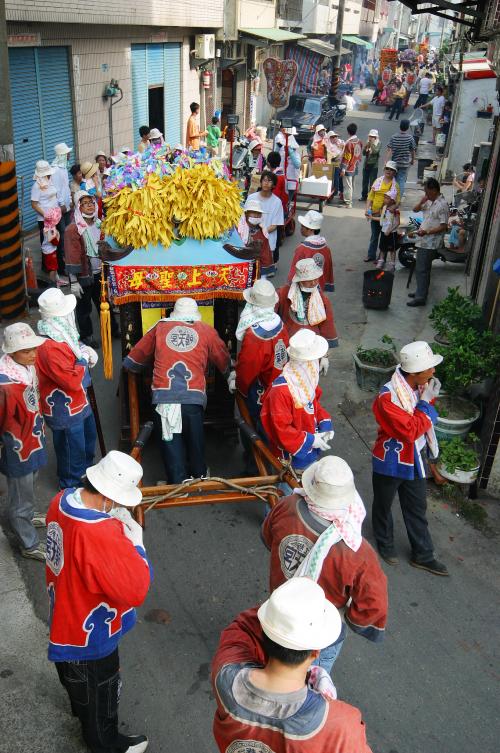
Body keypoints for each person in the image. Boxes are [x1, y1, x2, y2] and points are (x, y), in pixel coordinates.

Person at [46, 450, 151, 753]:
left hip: (65, 616)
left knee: (77, 685)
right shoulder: (99, 532)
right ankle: (105, 744)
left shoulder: (62, 499)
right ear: (109, 496)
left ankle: (82, 715)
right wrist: (136, 545)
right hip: (90, 635)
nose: (119, 506)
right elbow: (135, 588)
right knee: (101, 692)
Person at [211, 577, 373, 753]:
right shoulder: (341, 725)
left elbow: (243, 626)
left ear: (265, 633)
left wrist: (282, 613)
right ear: (315, 652)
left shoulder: (225, 676)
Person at [262, 456, 388, 672]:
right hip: (319, 634)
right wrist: (347, 616)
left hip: (279, 614)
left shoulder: (286, 506)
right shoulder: (358, 552)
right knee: (312, 681)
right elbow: (373, 606)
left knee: (274, 666)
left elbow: (268, 538)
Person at [123, 297, 230, 483]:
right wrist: (230, 374)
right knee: (195, 440)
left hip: (164, 396)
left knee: (171, 443)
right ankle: (200, 477)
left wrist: (133, 367)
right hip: (193, 397)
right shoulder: (206, 330)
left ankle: (177, 483)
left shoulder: (159, 328)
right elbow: (223, 358)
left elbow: (134, 360)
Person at [372, 341, 448, 576]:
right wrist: (426, 403)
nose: (433, 371)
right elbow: (411, 429)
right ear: (414, 373)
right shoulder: (388, 397)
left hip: (414, 458)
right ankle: (385, 545)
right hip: (390, 460)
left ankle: (423, 555)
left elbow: (420, 420)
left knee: (417, 507)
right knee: (383, 506)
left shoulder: (417, 387)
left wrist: (426, 402)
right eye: (429, 368)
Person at [36, 288, 98, 489]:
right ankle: (70, 487)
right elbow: (70, 380)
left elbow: (74, 346)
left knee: (87, 441)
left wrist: (82, 350)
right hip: (65, 408)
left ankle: (84, 477)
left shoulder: (60, 334)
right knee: (72, 450)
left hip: (80, 402)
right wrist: (83, 360)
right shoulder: (49, 346)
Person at [0, 323, 48, 561]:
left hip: (33, 436)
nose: (32, 354)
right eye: (25, 350)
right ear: (11, 353)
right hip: (16, 445)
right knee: (20, 495)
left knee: (31, 482)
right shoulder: (5, 384)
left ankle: (27, 516)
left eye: (33, 348)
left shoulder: (26, 367)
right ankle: (27, 542)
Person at [261, 329, 333, 474]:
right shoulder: (280, 391)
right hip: (290, 458)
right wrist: (311, 440)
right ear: (308, 363)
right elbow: (281, 429)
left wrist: (325, 424)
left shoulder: (305, 379)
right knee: (288, 490)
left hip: (308, 447)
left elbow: (314, 405)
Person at [232, 278, 289, 428]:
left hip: (261, 388)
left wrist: (239, 385)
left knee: (255, 423)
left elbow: (247, 367)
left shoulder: (255, 334)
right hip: (280, 382)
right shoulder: (279, 322)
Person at [64, 191, 120, 345]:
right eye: (85, 203)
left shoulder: (100, 223)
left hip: (100, 272)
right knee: (84, 308)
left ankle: (113, 329)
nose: (89, 206)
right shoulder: (73, 229)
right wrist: (73, 282)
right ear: (78, 207)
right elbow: (71, 255)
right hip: (83, 275)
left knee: (105, 303)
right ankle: (86, 336)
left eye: (91, 202)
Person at [278, 259, 338, 351]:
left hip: (312, 344)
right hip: (289, 343)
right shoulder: (283, 293)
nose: (313, 283)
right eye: (309, 280)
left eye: (316, 279)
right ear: (300, 280)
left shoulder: (322, 299)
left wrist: (325, 354)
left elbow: (327, 326)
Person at [407, 178, 449, 306]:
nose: (426, 194)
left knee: (422, 269)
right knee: (421, 269)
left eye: (427, 192)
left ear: (434, 190)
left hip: (431, 243)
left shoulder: (442, 205)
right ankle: (421, 291)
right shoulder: (429, 201)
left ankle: (420, 297)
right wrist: (421, 201)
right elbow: (414, 210)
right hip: (423, 240)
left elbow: (443, 226)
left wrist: (427, 232)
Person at [287, 210, 334, 292]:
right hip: (319, 288)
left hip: (304, 289)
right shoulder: (326, 248)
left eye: (302, 226)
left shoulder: (302, 249)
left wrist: (289, 287)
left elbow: (294, 270)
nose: (301, 229)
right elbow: (328, 270)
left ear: (310, 229)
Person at [30, 159, 61, 284]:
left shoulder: (50, 180)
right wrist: (46, 214)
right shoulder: (36, 186)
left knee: (55, 242)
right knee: (48, 245)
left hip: (55, 217)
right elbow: (34, 204)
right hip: (45, 221)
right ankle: (50, 277)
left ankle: (56, 275)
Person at [246, 171, 284, 268]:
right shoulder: (251, 197)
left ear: (274, 185)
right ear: (261, 182)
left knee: (264, 268)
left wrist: (262, 233)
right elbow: (245, 218)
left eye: (269, 181)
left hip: (268, 238)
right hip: (250, 237)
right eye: (264, 180)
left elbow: (275, 225)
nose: (266, 183)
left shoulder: (277, 202)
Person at [364, 161, 400, 262]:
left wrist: (393, 207)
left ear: (395, 172)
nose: (389, 171)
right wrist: (367, 208)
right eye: (387, 169)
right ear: (384, 170)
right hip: (375, 212)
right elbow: (370, 196)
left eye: (391, 170)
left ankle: (381, 258)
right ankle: (371, 255)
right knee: (374, 236)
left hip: (387, 215)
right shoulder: (377, 181)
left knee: (384, 237)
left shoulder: (395, 185)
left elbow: (398, 201)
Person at [238, 198, 275, 277]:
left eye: (258, 213)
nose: (256, 215)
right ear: (246, 213)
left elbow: (265, 253)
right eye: (253, 213)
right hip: (239, 269)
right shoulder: (238, 230)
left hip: (256, 271)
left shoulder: (262, 233)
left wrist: (264, 273)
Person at [51, 142, 73, 278]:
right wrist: (61, 204)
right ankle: (62, 266)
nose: (69, 154)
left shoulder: (63, 168)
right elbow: (56, 190)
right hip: (61, 208)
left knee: (67, 235)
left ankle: (66, 263)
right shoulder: (55, 170)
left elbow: (65, 188)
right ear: (62, 155)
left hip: (67, 206)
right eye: (67, 153)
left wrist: (69, 200)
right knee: (63, 237)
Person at [386, 118, 415, 198]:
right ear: (408, 127)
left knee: (392, 180)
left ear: (400, 126)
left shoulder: (394, 137)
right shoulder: (410, 138)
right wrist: (412, 160)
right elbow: (412, 150)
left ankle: (390, 197)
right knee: (401, 181)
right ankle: (398, 199)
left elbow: (389, 150)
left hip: (394, 164)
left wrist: (386, 161)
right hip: (404, 164)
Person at [340, 123, 363, 208]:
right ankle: (350, 199)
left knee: (347, 186)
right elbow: (359, 154)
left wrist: (343, 169)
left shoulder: (349, 143)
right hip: (355, 165)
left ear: (348, 132)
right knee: (351, 184)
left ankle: (349, 202)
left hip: (349, 167)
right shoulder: (359, 141)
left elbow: (347, 157)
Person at [376, 190, 400, 271]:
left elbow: (397, 223)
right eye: (384, 197)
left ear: (392, 200)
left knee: (392, 249)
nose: (384, 199)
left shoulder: (396, 211)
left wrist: (389, 230)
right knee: (382, 247)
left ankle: (392, 264)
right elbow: (383, 218)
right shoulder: (384, 207)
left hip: (392, 233)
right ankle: (381, 261)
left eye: (387, 198)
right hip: (384, 231)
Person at [360, 129, 381, 201]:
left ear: (375, 137)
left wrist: (371, 143)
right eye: (370, 136)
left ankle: (370, 197)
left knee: (372, 182)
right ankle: (364, 196)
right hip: (366, 165)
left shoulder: (378, 143)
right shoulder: (368, 143)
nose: (370, 138)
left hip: (374, 166)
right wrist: (366, 146)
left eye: (372, 136)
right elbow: (363, 153)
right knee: (364, 181)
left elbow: (375, 151)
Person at [325, 130, 344, 199]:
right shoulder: (328, 145)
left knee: (340, 178)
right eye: (332, 137)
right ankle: (334, 192)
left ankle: (341, 192)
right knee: (335, 178)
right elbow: (331, 156)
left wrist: (340, 146)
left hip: (342, 163)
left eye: (335, 137)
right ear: (329, 138)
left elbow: (344, 148)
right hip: (334, 164)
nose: (334, 138)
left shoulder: (340, 142)